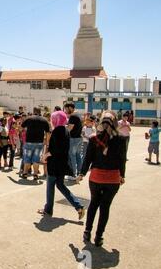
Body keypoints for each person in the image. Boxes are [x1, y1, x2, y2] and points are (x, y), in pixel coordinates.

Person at [77, 112, 127, 247]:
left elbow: (88, 159)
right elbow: (122, 160)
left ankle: (87, 231)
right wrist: (122, 175)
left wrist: (81, 173)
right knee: (105, 208)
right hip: (112, 179)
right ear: (115, 123)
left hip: (96, 177)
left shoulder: (94, 139)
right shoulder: (122, 139)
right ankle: (99, 237)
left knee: (93, 204)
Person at [38, 111, 85, 219]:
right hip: (62, 164)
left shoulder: (57, 131)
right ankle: (78, 206)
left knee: (50, 187)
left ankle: (48, 210)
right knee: (60, 185)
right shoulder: (65, 130)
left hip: (55, 164)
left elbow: (57, 148)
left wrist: (46, 155)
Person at [21, 108, 51, 180]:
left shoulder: (29, 118)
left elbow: (21, 128)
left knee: (27, 158)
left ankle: (25, 173)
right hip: (39, 143)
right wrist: (47, 142)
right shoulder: (44, 120)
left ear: (34, 112)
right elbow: (48, 132)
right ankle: (35, 174)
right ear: (40, 112)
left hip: (29, 142)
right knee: (36, 159)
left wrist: (24, 131)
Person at [64, 102, 83, 180]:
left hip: (73, 138)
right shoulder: (78, 115)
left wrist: (63, 128)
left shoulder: (73, 116)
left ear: (70, 108)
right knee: (78, 156)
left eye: (66, 108)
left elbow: (70, 128)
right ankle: (79, 173)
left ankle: (73, 174)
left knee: (72, 156)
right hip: (79, 138)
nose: (65, 110)